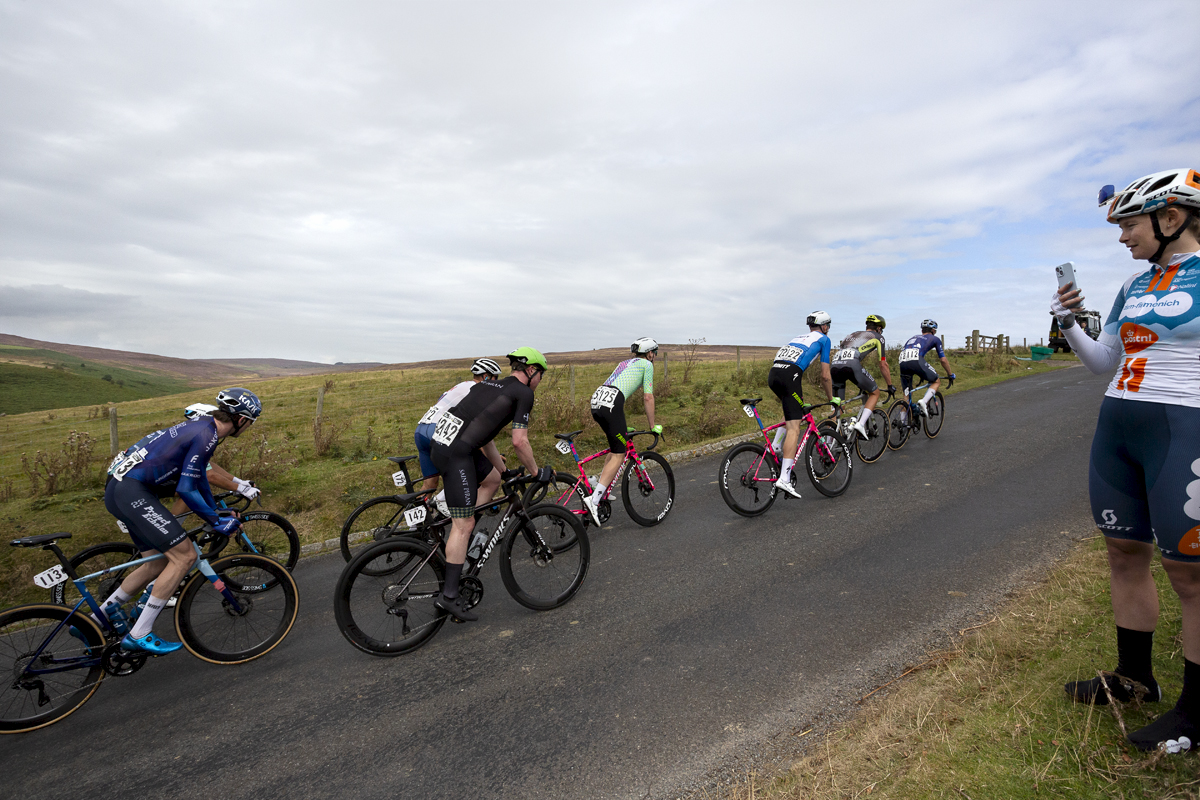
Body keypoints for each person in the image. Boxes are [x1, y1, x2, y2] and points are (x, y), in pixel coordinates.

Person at [1055, 167, 1200, 751]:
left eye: (1129, 224)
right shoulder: (1134, 285)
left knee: (1190, 575)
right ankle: (1135, 678)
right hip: (1118, 425)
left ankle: (1197, 713)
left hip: (1184, 428)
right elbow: (1101, 362)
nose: (1121, 238)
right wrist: (1067, 322)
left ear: (1172, 219)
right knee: (1123, 552)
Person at [101, 388, 261, 654]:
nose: (249, 429)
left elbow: (199, 480)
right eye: (251, 424)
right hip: (132, 492)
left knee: (157, 563)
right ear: (241, 420)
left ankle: (98, 618)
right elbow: (186, 489)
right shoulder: (206, 435)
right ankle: (140, 633)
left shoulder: (204, 426)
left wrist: (216, 513)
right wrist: (216, 521)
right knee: (184, 556)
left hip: (119, 490)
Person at [429, 348, 553, 622]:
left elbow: (484, 435)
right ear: (532, 370)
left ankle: (461, 545)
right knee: (464, 524)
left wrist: (504, 470)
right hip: (455, 454)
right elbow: (519, 441)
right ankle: (449, 595)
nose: (540, 381)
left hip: (445, 444)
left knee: (493, 479)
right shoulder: (523, 393)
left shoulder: (488, 385)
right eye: (541, 375)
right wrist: (536, 472)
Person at [582, 338, 663, 525]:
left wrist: (619, 424)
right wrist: (652, 426)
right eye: (655, 353)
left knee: (615, 446)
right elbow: (648, 397)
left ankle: (600, 484)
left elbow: (617, 389)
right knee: (620, 454)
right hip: (611, 404)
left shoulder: (624, 363)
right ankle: (594, 501)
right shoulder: (647, 365)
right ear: (650, 353)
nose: (655, 357)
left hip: (597, 401)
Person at [767, 311, 839, 499]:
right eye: (828, 326)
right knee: (795, 428)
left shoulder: (799, 337)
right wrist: (831, 398)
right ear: (824, 326)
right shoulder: (824, 339)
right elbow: (825, 375)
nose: (828, 329)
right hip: (789, 376)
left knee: (791, 410)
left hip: (773, 375)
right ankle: (784, 478)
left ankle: (775, 446)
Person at [413, 358, 502, 495]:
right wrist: (489, 458)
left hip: (422, 431)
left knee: (430, 485)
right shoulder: (479, 391)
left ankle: (417, 512)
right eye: (495, 378)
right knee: (466, 473)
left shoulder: (462, 385)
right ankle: (448, 506)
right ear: (486, 377)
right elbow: (478, 432)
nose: (496, 382)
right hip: (439, 431)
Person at [166, 403, 260, 516]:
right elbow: (210, 475)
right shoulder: (201, 437)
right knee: (192, 488)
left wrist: (238, 481)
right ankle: (170, 529)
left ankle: (172, 525)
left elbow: (208, 465)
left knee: (192, 489)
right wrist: (241, 489)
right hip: (154, 479)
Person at [830, 314, 896, 439]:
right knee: (875, 392)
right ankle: (860, 424)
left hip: (835, 365)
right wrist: (890, 385)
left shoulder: (852, 335)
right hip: (852, 364)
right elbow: (883, 364)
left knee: (839, 406)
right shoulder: (878, 337)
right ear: (879, 328)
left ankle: (829, 441)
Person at [897, 320, 954, 417]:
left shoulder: (913, 337)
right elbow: (943, 360)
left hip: (902, 361)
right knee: (936, 381)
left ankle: (903, 424)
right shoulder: (934, 338)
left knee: (906, 394)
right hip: (917, 360)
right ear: (933, 330)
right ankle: (924, 401)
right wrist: (950, 374)